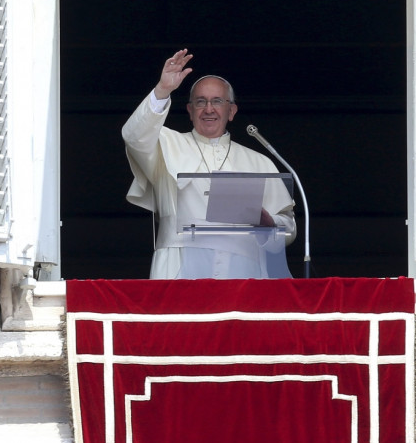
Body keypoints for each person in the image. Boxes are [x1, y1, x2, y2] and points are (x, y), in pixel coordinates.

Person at [122, 49, 296, 279]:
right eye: (201, 102)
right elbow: (134, 135)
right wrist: (163, 90)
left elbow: (288, 228)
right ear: (190, 111)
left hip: (242, 270)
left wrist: (268, 222)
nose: (209, 109)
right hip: (178, 264)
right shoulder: (165, 143)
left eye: (217, 101)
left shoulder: (259, 161)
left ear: (231, 111)